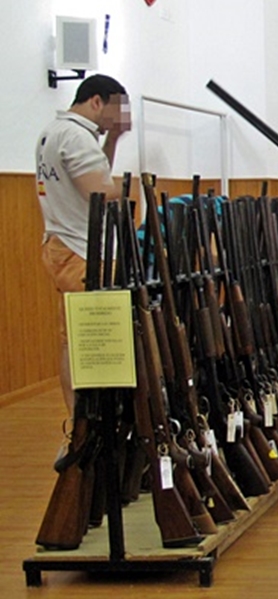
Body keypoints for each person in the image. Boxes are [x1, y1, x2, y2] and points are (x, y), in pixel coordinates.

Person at [35, 74, 130, 417]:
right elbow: (99, 192)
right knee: (84, 341)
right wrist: (139, 185)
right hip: (79, 250)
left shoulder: (58, 132)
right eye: (115, 113)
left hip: (68, 245)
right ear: (96, 101)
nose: (117, 121)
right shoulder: (75, 136)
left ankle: (85, 420)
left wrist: (114, 140)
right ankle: (85, 422)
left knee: (73, 338)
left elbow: (96, 175)